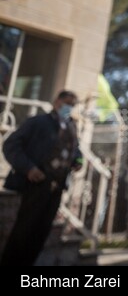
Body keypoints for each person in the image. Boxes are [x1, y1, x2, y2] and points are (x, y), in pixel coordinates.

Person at [0, 90, 83, 266]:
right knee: (24, 230)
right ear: (56, 102)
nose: (69, 108)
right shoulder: (38, 123)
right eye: (66, 103)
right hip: (35, 183)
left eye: (72, 105)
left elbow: (76, 150)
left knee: (41, 232)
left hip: (57, 186)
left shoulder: (71, 127)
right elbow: (11, 145)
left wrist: (78, 160)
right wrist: (28, 168)